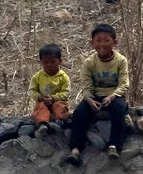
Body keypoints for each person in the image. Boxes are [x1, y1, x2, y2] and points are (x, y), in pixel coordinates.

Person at [66, 23, 129, 166]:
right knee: (79, 113)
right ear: (92, 43)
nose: (102, 44)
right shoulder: (89, 62)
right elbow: (86, 86)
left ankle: (114, 145)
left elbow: (124, 84)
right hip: (94, 97)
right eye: (98, 40)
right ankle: (76, 150)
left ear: (115, 42)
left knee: (120, 109)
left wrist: (112, 96)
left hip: (114, 96)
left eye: (107, 40)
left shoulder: (121, 61)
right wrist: (89, 99)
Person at [30, 44, 70, 139]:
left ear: (60, 61)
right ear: (41, 63)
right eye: (46, 62)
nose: (49, 65)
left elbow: (66, 93)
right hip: (43, 101)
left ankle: (60, 122)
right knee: (40, 108)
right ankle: (42, 125)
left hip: (58, 101)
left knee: (60, 106)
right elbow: (32, 91)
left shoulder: (63, 77)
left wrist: (54, 98)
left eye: (53, 62)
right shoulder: (37, 77)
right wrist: (40, 97)